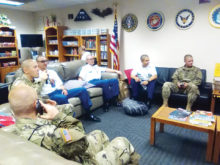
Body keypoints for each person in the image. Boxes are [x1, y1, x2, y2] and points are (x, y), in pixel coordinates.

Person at [5, 84, 140, 164]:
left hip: (65, 152)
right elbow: (81, 137)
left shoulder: (11, 132)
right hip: (82, 159)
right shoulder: (52, 135)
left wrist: (56, 110)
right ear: (37, 104)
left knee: (100, 134)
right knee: (123, 141)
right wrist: (58, 116)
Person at [36, 55, 100, 122]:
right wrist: (42, 79)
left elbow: (60, 84)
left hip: (59, 90)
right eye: (42, 61)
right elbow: (37, 89)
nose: (45, 63)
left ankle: (88, 113)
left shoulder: (52, 72)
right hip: (49, 95)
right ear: (37, 63)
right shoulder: (36, 75)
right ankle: (72, 120)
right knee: (62, 97)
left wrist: (64, 89)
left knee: (82, 90)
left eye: (46, 61)